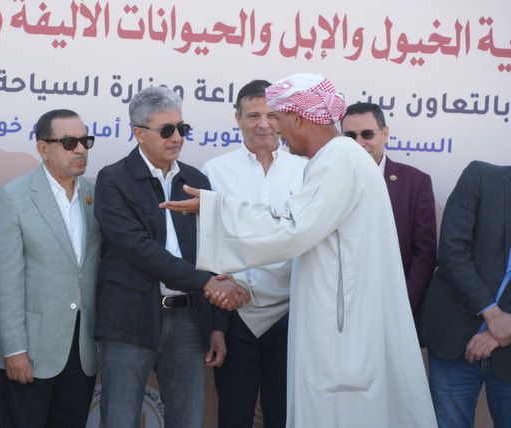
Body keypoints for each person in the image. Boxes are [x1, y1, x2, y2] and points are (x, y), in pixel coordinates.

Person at [161, 73, 437, 427]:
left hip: (343, 332)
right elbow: (293, 220)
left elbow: (291, 230)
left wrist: (216, 211)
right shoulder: (337, 157)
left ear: (298, 118)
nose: (274, 129)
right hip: (337, 325)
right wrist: (216, 209)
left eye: (277, 118)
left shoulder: (337, 159)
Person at [93, 86, 248, 428]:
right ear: (139, 133)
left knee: (187, 421)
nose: (177, 138)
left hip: (189, 320)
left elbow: (214, 253)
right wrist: (205, 283)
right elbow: (139, 249)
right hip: (128, 320)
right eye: (166, 130)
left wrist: (217, 327)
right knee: (119, 419)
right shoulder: (113, 179)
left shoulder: (196, 180)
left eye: (182, 128)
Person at [202, 79, 307, 427]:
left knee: (284, 415)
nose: (264, 124)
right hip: (236, 314)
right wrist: (217, 323)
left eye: (272, 115)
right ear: (237, 118)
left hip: (292, 314)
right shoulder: (214, 172)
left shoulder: (306, 170)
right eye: (253, 116)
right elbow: (209, 246)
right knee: (234, 414)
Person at [0, 109, 100, 428]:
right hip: (30, 351)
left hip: (82, 352)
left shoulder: (96, 195)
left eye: (85, 141)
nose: (80, 150)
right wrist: (14, 349)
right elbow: (6, 281)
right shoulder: (14, 197)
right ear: (43, 148)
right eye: (69, 142)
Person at [418, 161, 511, 427]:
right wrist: (492, 314)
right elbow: (452, 251)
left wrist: (504, 329)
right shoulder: (480, 177)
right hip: (454, 340)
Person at [341, 102, 436, 314]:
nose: (359, 143)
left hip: (393, 305)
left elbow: (424, 254)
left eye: (367, 134)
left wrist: (401, 306)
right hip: (342, 306)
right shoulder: (331, 181)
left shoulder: (415, 182)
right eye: (350, 136)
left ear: (385, 134)